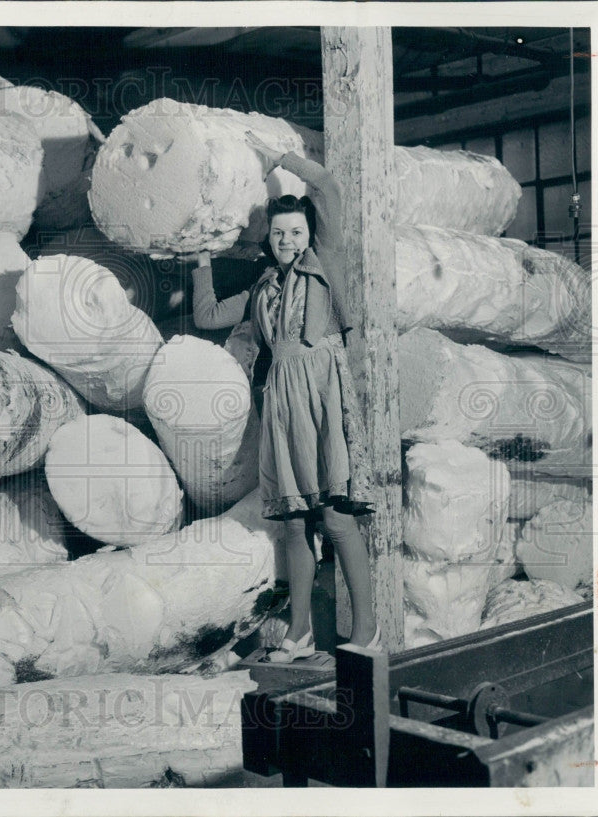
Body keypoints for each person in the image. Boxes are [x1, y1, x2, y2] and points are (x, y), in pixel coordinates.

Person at [190, 132, 380, 659]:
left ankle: (367, 631)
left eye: (296, 232)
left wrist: (277, 158)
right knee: (294, 525)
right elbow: (206, 316)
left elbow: (325, 183)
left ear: (309, 233)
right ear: (269, 240)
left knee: (338, 520)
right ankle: (299, 634)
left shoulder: (327, 265)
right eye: (279, 234)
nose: (288, 241)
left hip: (322, 402)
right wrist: (202, 257)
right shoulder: (262, 291)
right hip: (281, 407)